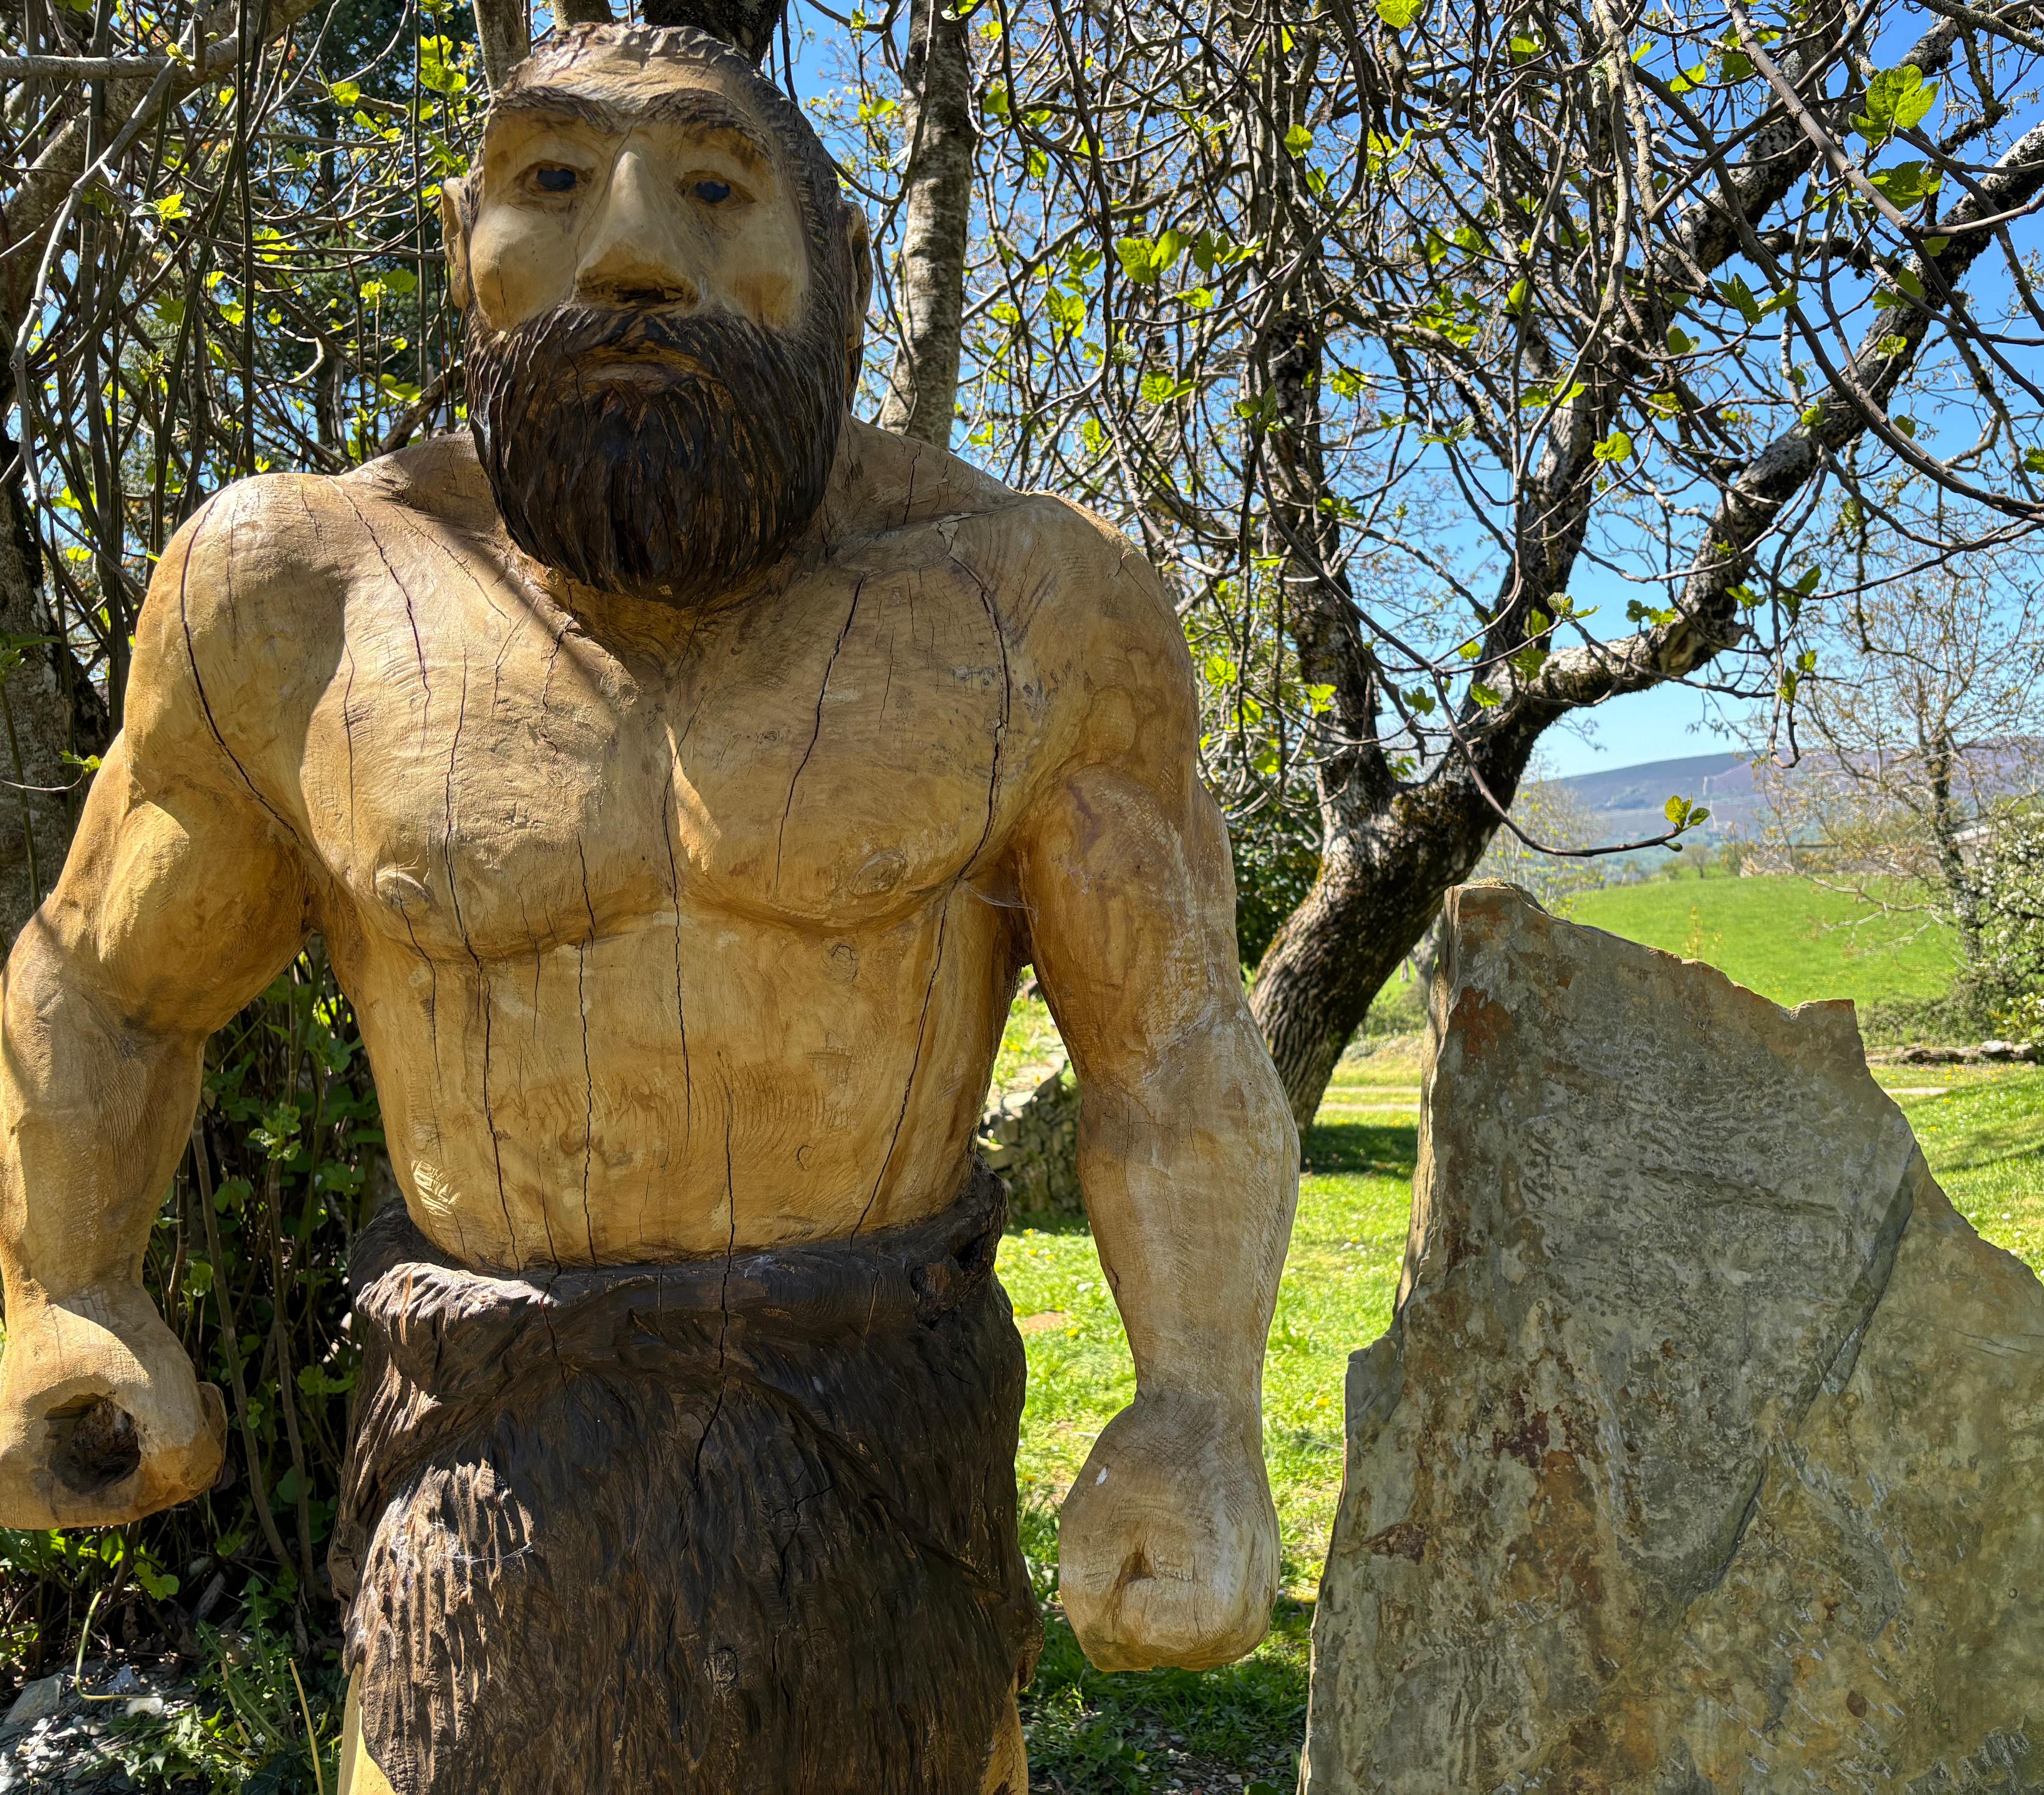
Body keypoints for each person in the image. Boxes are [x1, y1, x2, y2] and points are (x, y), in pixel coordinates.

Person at [0, 25, 1298, 1794]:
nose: (626, 252)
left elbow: (1172, 1050)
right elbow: (110, 982)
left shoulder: (1030, 611)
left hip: (875, 1484)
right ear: (463, 243)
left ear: (830, 270)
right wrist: (62, 1283)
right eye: (550, 179)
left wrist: (1201, 1408)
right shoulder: (295, 597)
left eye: (709, 183)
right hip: (482, 1499)